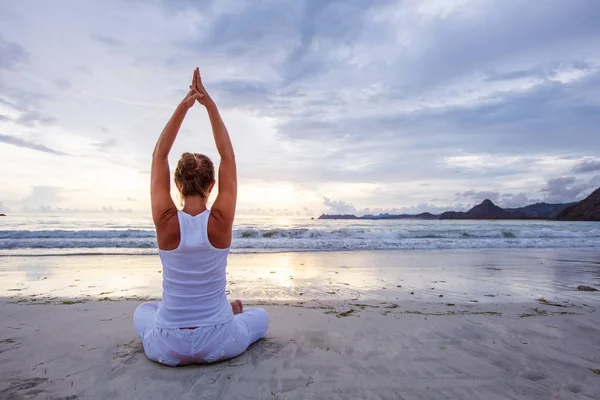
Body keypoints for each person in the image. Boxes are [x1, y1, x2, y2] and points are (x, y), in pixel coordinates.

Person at [133, 68, 269, 366]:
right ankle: (224, 308)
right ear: (212, 186)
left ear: (177, 185)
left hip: (167, 345)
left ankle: (217, 308)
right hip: (219, 340)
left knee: (143, 311)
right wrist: (210, 105)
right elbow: (228, 158)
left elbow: (159, 156)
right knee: (261, 317)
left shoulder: (166, 220)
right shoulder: (220, 220)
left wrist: (184, 106)